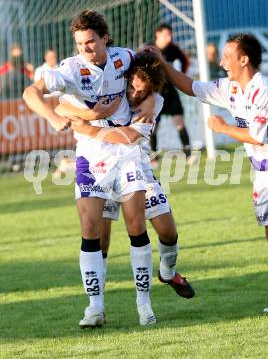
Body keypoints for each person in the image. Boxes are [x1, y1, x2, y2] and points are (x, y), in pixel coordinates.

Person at [149, 34, 268, 312]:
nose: (222, 62)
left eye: (227, 56)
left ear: (244, 60)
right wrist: (162, 63)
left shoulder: (263, 89)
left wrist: (222, 128)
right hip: (264, 174)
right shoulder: (231, 87)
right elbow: (191, 87)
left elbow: (258, 137)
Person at [23, 10, 157, 328]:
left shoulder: (124, 58)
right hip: (90, 154)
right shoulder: (70, 68)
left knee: (137, 224)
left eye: (91, 42)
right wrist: (56, 117)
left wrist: (152, 100)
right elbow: (31, 93)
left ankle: (144, 303)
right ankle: (95, 307)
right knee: (90, 228)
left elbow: (153, 72)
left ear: (105, 38)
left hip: (126, 151)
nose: (85, 48)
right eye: (80, 43)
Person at [56, 52, 195, 300]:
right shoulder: (113, 84)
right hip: (101, 167)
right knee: (101, 238)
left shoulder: (154, 103)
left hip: (136, 166)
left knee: (168, 231)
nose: (134, 95)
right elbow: (61, 104)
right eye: (132, 87)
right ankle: (97, 301)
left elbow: (130, 137)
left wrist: (88, 129)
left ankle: (167, 271)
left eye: (142, 92)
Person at [151, 23, 195, 166]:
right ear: (158, 35)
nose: (169, 38)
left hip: (170, 91)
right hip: (155, 92)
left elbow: (185, 61)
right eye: (166, 35)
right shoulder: (149, 48)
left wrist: (181, 75)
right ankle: (153, 157)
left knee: (179, 122)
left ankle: (189, 154)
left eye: (170, 34)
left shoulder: (174, 49)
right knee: (153, 126)